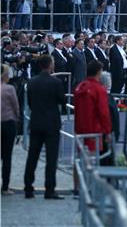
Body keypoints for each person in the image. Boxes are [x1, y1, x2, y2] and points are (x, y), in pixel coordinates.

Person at [24, 55, 66, 199]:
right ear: (49, 65)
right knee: (51, 158)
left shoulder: (31, 82)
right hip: (52, 124)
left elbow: (29, 102)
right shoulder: (56, 82)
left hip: (36, 122)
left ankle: (28, 188)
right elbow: (63, 100)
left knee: (32, 156)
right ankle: (49, 189)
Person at [73, 61, 112, 192]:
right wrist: (107, 132)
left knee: (79, 159)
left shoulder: (79, 87)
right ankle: (90, 189)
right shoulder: (99, 89)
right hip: (94, 130)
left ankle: (77, 187)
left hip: (80, 128)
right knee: (93, 160)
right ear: (99, 72)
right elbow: (103, 113)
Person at [1, 64, 19, 194]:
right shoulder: (9, 89)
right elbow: (16, 107)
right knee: (7, 157)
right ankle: (5, 187)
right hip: (8, 123)